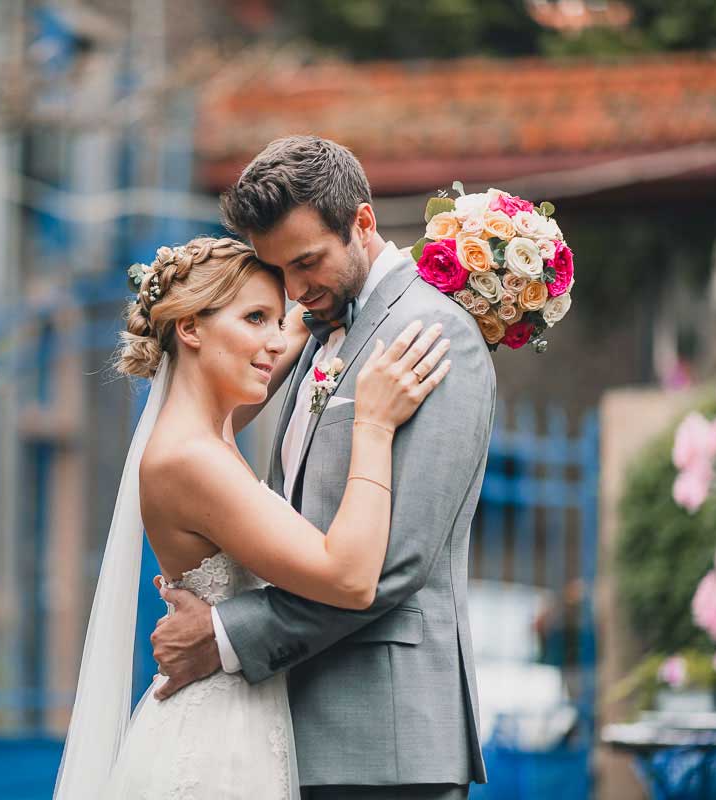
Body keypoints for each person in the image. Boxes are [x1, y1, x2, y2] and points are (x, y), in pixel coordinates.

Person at [149, 136, 497, 799]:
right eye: (279, 270)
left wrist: (225, 635)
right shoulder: (317, 330)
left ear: (363, 223)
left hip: (385, 742)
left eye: (307, 262)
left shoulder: (432, 333)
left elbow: (396, 564)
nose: (295, 289)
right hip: (294, 729)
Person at [54, 232, 452, 799]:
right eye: (254, 319)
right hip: (217, 748)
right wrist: (374, 424)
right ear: (189, 328)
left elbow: (292, 332)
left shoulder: (207, 427)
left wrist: (449, 249)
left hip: (245, 721)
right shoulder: (192, 459)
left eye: (275, 319)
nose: (272, 340)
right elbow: (350, 576)